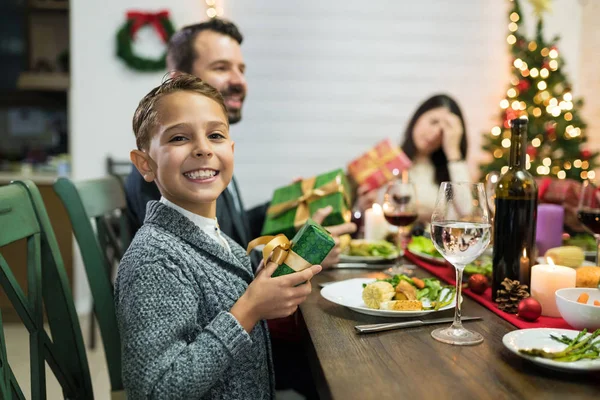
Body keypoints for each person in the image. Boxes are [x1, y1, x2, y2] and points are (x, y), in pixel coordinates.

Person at [115, 74, 322, 399]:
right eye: (179, 138)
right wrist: (249, 310)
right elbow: (156, 392)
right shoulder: (154, 261)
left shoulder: (216, 239)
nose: (202, 149)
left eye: (215, 135)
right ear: (145, 164)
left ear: (231, 149)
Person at [124, 18, 355, 267]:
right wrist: (300, 256)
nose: (239, 81)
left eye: (241, 70)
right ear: (179, 80)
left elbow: (230, 231)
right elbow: (213, 264)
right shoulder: (166, 173)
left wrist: (289, 207)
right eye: (221, 68)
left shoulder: (210, 154)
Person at [356, 94, 470, 222]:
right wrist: (362, 207)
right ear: (418, 117)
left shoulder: (449, 172)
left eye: (444, 130)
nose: (435, 133)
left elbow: (466, 210)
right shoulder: (388, 161)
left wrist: (453, 151)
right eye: (433, 122)